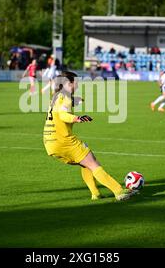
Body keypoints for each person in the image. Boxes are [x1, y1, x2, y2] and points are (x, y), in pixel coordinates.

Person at [43, 71, 137, 201]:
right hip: (63, 140)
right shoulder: (66, 97)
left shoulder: (56, 96)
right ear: (69, 83)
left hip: (50, 142)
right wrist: (78, 118)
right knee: (93, 164)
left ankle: (95, 193)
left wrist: (76, 100)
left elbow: (59, 108)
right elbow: (63, 115)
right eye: (76, 81)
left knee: (84, 163)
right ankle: (119, 191)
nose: (78, 84)